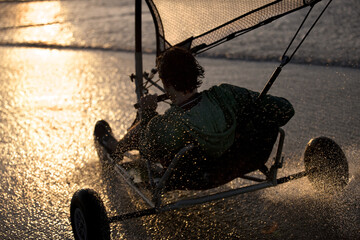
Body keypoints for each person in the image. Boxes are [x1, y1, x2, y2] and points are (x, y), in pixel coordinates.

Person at [94, 46, 294, 189]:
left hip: (196, 178)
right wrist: (248, 118)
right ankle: (117, 148)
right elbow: (285, 109)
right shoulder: (227, 95)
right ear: (195, 73)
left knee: (138, 153)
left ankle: (116, 151)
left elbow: (147, 150)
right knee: (159, 133)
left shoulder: (171, 124)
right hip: (239, 161)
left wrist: (147, 114)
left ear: (165, 82)